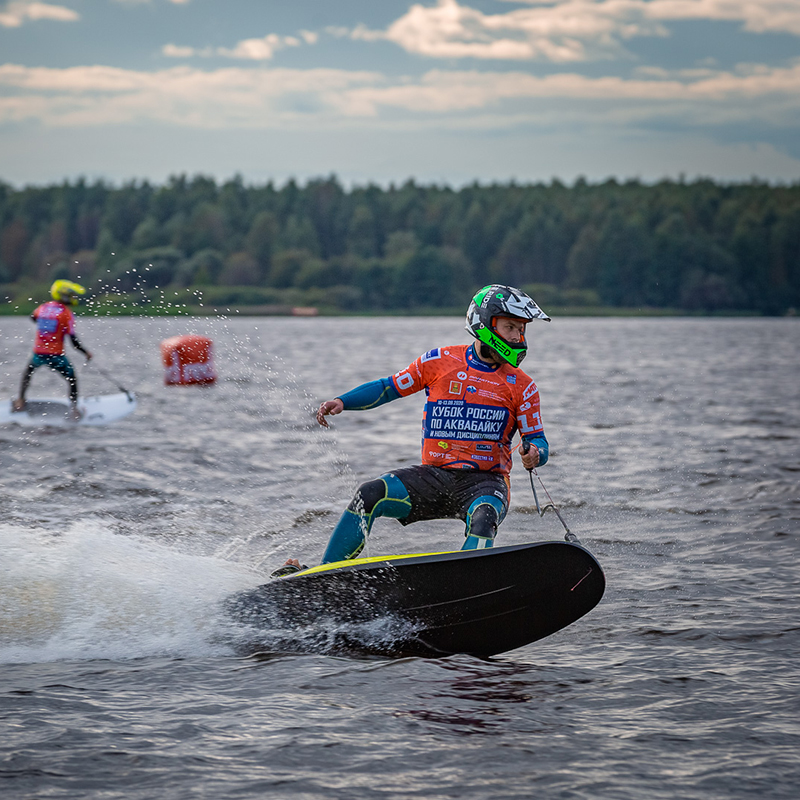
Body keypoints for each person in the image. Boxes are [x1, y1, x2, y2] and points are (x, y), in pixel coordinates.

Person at [280, 284, 551, 575]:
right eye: (510, 327)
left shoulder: (523, 386)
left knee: (484, 518)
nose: (517, 337)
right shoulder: (439, 362)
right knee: (369, 494)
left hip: (486, 484)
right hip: (434, 477)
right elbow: (388, 388)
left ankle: (465, 581)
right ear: (485, 324)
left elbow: (537, 440)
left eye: (521, 329)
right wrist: (343, 401)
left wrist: (535, 453)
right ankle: (325, 575)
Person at [12, 280, 93, 421]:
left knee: (28, 373)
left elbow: (33, 317)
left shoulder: (43, 307)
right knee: (72, 379)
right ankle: (74, 410)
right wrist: (86, 353)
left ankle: (20, 401)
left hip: (38, 353)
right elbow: (73, 341)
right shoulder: (66, 313)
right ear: (64, 296)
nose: (73, 298)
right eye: (71, 295)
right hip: (55, 355)